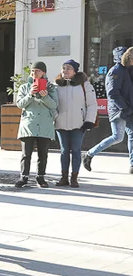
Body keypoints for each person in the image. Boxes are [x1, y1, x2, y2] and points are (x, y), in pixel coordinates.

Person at [84, 46, 133, 174]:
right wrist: (125, 108)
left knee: (132, 135)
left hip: (127, 109)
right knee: (117, 137)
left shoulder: (128, 70)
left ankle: (132, 164)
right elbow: (112, 93)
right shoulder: (116, 71)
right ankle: (89, 154)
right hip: (119, 110)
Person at [54, 58, 98, 187]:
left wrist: (89, 120)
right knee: (64, 150)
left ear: (75, 72)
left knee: (76, 150)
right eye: (63, 67)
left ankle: (74, 177)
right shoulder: (56, 85)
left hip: (79, 124)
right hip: (61, 123)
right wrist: (55, 117)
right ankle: (63, 177)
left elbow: (91, 104)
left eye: (68, 68)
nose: (65, 70)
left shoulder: (84, 85)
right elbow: (52, 104)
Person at [14, 61, 58, 188]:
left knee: (43, 154)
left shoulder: (50, 88)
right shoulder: (24, 87)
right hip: (29, 124)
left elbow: (54, 105)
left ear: (44, 72)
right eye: (32, 71)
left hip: (45, 124)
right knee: (26, 154)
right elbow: (20, 104)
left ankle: (41, 177)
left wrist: (45, 97)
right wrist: (30, 94)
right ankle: (24, 177)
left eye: (38, 71)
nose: (34, 73)